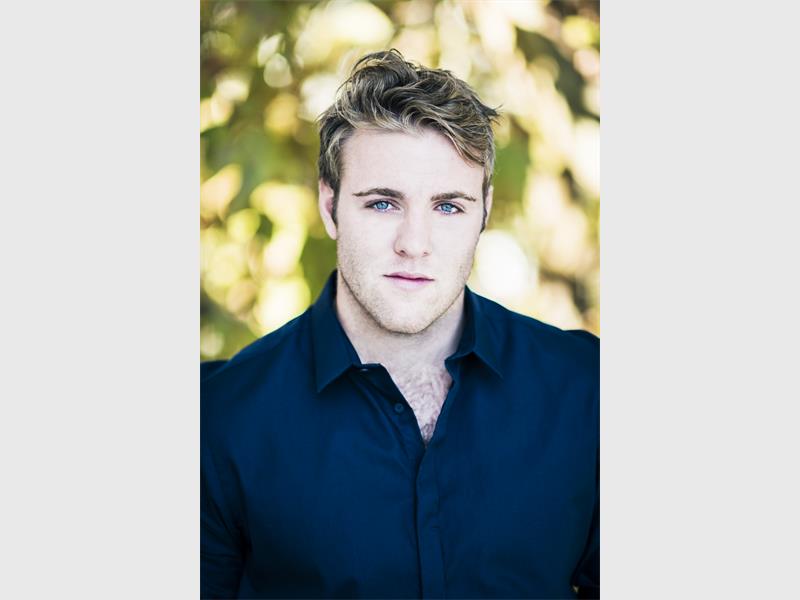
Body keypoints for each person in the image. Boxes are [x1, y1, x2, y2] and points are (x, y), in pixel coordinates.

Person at [202, 49, 599, 599]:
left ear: (484, 210)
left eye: (448, 206)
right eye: (383, 204)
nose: (414, 244)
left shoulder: (587, 390)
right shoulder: (218, 419)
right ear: (329, 206)